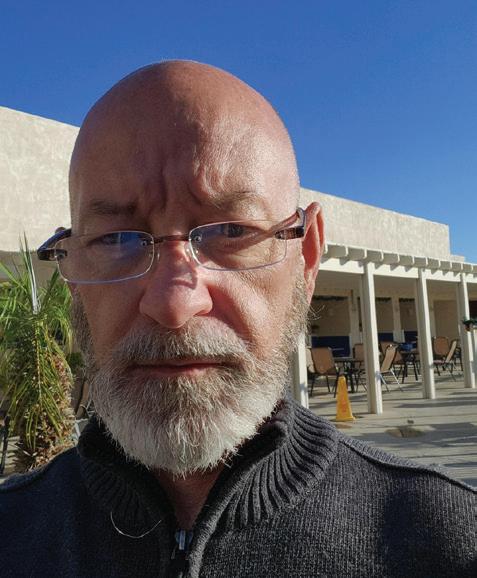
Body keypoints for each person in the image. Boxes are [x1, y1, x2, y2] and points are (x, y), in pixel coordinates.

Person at [1, 61, 475, 578]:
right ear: (72, 270)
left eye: (231, 231)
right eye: (115, 239)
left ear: (306, 257)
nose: (175, 305)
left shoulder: (447, 542)